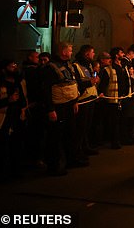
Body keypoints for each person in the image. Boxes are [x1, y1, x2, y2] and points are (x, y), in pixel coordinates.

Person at [40, 42, 82, 175]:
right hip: (58, 107)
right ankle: (54, 165)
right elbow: (46, 90)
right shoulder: (50, 68)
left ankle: (71, 159)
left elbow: (72, 83)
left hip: (69, 104)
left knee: (70, 133)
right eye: (70, 50)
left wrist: (75, 101)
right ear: (63, 52)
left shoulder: (68, 65)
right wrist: (50, 109)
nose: (71, 52)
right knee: (56, 137)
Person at [0, 59, 27, 181]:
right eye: (11, 66)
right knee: (2, 146)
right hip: (2, 118)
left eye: (15, 65)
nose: (14, 68)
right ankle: (2, 172)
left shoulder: (19, 82)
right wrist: (8, 100)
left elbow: (24, 98)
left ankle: (16, 170)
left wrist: (23, 109)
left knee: (17, 144)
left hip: (17, 117)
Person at [72, 45, 100, 161]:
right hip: (83, 99)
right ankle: (77, 151)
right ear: (87, 54)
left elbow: (91, 79)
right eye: (92, 52)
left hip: (91, 97)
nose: (94, 55)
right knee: (81, 127)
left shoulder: (88, 65)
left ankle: (85, 146)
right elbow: (77, 84)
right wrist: (90, 83)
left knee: (87, 126)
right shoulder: (76, 66)